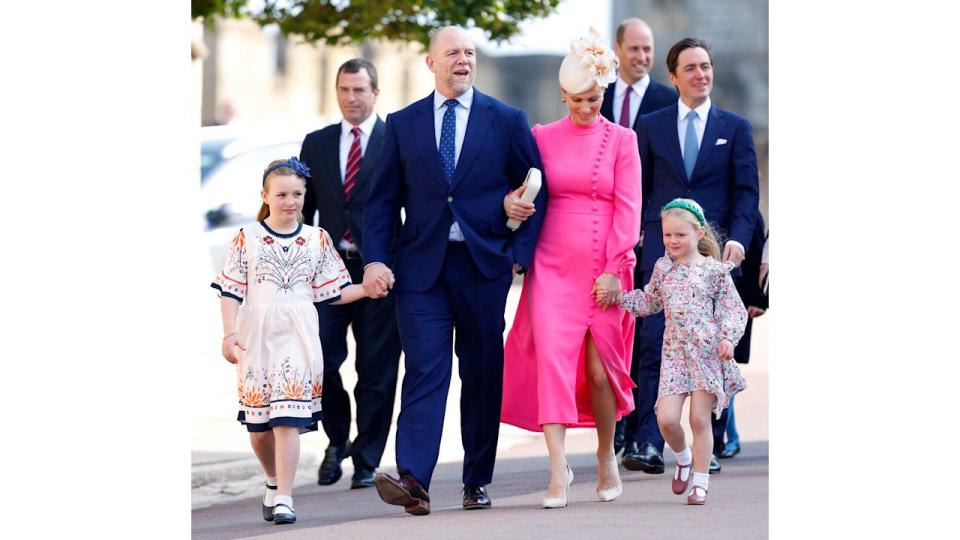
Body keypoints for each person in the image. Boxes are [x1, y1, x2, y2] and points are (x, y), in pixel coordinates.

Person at [361, 26, 546, 515]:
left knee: (483, 374)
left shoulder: (506, 120)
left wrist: (518, 255)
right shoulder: (402, 124)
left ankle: (476, 479)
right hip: (420, 272)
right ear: (431, 63)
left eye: (469, 53)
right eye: (453, 54)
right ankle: (414, 479)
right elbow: (380, 202)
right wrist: (376, 257)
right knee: (424, 372)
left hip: (484, 268)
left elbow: (536, 189)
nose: (463, 60)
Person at [501, 28, 641, 509]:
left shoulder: (624, 140)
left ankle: (605, 454)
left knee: (601, 373)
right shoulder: (540, 137)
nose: (587, 107)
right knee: (553, 366)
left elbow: (630, 208)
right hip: (551, 265)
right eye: (579, 100)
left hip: (605, 266)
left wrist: (615, 267)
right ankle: (557, 468)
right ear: (564, 96)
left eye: (595, 98)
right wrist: (512, 204)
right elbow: (519, 191)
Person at [211, 157, 383, 525]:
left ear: (306, 196)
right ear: (266, 196)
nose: (290, 201)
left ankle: (286, 498)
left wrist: (366, 289)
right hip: (256, 337)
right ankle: (272, 481)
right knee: (259, 428)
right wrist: (230, 333)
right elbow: (230, 291)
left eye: (297, 194)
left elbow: (333, 292)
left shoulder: (316, 239)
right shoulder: (247, 238)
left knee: (287, 419)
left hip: (300, 338)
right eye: (282, 194)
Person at [624, 37, 760, 476]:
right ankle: (647, 441)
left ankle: (711, 444)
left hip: (711, 259)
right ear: (673, 76)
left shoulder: (735, 127)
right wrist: (637, 239)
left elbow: (746, 194)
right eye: (691, 68)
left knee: (712, 350)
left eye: (706, 66)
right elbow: (637, 187)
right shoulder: (650, 125)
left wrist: (738, 240)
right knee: (651, 345)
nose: (701, 74)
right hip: (659, 252)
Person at [299, 58, 402, 489]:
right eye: (344, 89)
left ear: (376, 93)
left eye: (360, 90)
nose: (351, 98)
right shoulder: (317, 143)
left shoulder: (394, 139)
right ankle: (336, 440)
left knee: (377, 369)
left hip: (380, 271)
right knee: (320, 360)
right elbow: (303, 213)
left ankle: (366, 457)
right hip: (328, 272)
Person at [617, 198, 747, 505]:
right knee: (666, 419)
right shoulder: (663, 269)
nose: (673, 241)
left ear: (699, 234)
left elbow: (733, 310)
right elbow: (650, 302)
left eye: (680, 235)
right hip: (675, 356)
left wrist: (728, 339)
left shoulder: (715, 272)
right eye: (667, 235)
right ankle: (683, 457)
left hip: (706, 355)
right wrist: (619, 298)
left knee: (700, 420)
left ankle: (699, 483)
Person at [599, 16, 678, 463]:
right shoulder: (598, 96)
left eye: (649, 50)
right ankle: (618, 426)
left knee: (650, 335)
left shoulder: (668, 100)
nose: (643, 57)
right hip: (605, 235)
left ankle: (643, 434)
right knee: (615, 334)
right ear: (618, 50)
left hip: (650, 233)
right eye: (635, 49)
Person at [717, 211, 768, 459]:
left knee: (727, 369)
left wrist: (759, 298)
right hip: (708, 306)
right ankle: (729, 436)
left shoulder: (748, 215)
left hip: (740, 302)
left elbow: (759, 251)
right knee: (717, 370)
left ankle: (731, 437)